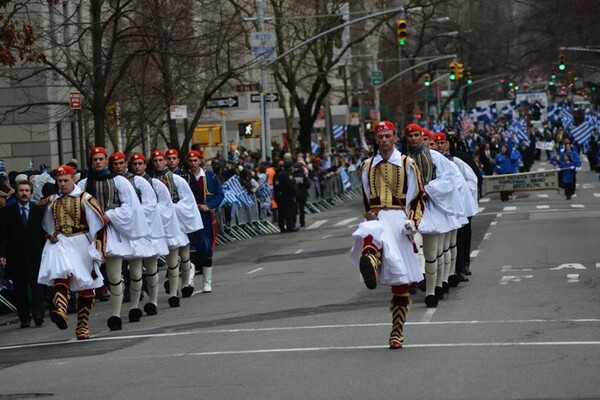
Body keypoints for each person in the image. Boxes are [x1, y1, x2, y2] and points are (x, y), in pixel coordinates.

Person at [349, 121, 426, 350]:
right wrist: (369, 216)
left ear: (394, 138)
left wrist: (412, 221)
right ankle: (370, 264)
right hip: (376, 217)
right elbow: (365, 196)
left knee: (399, 281)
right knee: (371, 238)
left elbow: (418, 196)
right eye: (380, 137)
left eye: (388, 136)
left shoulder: (407, 164)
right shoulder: (366, 166)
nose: (384, 140)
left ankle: (397, 330)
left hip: (398, 220)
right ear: (376, 139)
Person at [78, 146, 149, 330]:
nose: (98, 162)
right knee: (113, 275)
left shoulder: (120, 181)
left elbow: (131, 206)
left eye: (101, 159)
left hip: (120, 230)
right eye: (95, 159)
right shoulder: (84, 183)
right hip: (97, 233)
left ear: (106, 160)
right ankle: (115, 314)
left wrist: (110, 216)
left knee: (134, 272)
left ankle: (133, 307)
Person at [37, 165, 105, 340]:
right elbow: (48, 223)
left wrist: (99, 249)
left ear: (73, 179)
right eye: (59, 181)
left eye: (65, 180)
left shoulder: (86, 199)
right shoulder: (53, 200)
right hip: (61, 242)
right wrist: (51, 234)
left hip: (80, 242)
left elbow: (98, 225)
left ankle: (82, 325)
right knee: (60, 273)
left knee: (85, 285)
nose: (62, 184)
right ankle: (60, 309)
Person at [405, 125, 464, 308]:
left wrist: (428, 189)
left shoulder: (435, 157)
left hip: (431, 207)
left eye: (417, 135)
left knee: (433, 253)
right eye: (410, 136)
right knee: (413, 246)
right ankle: (417, 278)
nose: (414, 139)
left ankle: (432, 290)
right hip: (410, 210)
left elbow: (449, 180)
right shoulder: (401, 160)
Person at [110, 151, 168, 322]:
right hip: (120, 230)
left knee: (147, 268)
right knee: (129, 271)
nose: (119, 167)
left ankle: (151, 302)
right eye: (115, 164)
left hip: (141, 230)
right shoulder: (110, 181)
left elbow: (150, 206)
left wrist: (130, 214)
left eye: (121, 163)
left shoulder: (139, 181)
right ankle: (132, 307)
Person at [130, 153, 182, 315]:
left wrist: (147, 213)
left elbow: (166, 206)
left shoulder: (156, 184)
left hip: (157, 229)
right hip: (137, 231)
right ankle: (136, 304)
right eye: (134, 164)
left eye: (140, 163)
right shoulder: (126, 184)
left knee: (166, 263)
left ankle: (168, 294)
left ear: (145, 165)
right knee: (135, 271)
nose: (137, 167)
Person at [151, 150, 203, 305]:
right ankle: (173, 293)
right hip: (162, 225)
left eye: (161, 160)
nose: (159, 163)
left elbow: (187, 201)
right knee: (172, 261)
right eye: (156, 160)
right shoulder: (150, 181)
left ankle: (186, 283)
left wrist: (170, 208)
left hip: (177, 224)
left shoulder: (177, 180)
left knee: (185, 257)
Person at [0, 180, 47, 328]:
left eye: (27, 190)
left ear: (31, 192)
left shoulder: (38, 211)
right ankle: (24, 317)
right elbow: (3, 235)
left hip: (35, 254)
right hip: (16, 255)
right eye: (21, 190)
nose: (24, 193)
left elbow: (42, 234)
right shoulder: (7, 212)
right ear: (16, 192)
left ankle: (38, 314)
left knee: (37, 286)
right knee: (20, 288)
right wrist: (3, 254)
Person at [186, 150, 224, 294]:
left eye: (195, 160)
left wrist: (208, 206)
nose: (193, 163)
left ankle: (207, 282)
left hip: (205, 216)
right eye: (191, 161)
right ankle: (189, 281)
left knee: (206, 247)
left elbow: (220, 194)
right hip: (189, 217)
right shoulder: (184, 177)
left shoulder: (210, 176)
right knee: (191, 248)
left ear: (200, 161)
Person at [274, 160, 298, 233]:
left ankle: (282, 227)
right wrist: (295, 193)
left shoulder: (279, 175)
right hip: (287, 196)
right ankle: (290, 226)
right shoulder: (287, 175)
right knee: (289, 212)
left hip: (280, 196)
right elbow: (291, 186)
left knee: (281, 213)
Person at [292, 161, 311, 228]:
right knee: (301, 208)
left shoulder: (292, 176)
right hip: (302, 193)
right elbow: (308, 184)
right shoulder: (303, 176)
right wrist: (303, 188)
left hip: (295, 194)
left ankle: (293, 222)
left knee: (294, 209)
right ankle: (302, 222)